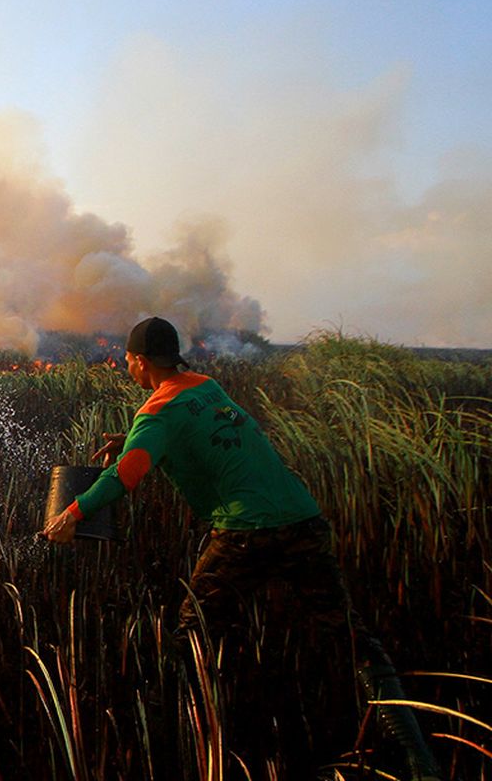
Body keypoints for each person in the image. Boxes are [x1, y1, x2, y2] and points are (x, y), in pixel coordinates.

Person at [43, 316, 442, 781]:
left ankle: (204, 744)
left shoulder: (157, 411)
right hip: (303, 520)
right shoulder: (205, 385)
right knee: (352, 639)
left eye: (128, 360)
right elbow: (193, 431)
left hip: (245, 533)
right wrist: (129, 440)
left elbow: (125, 475)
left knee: (192, 635)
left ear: (138, 361)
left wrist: (72, 515)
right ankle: (420, 760)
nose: (127, 366)